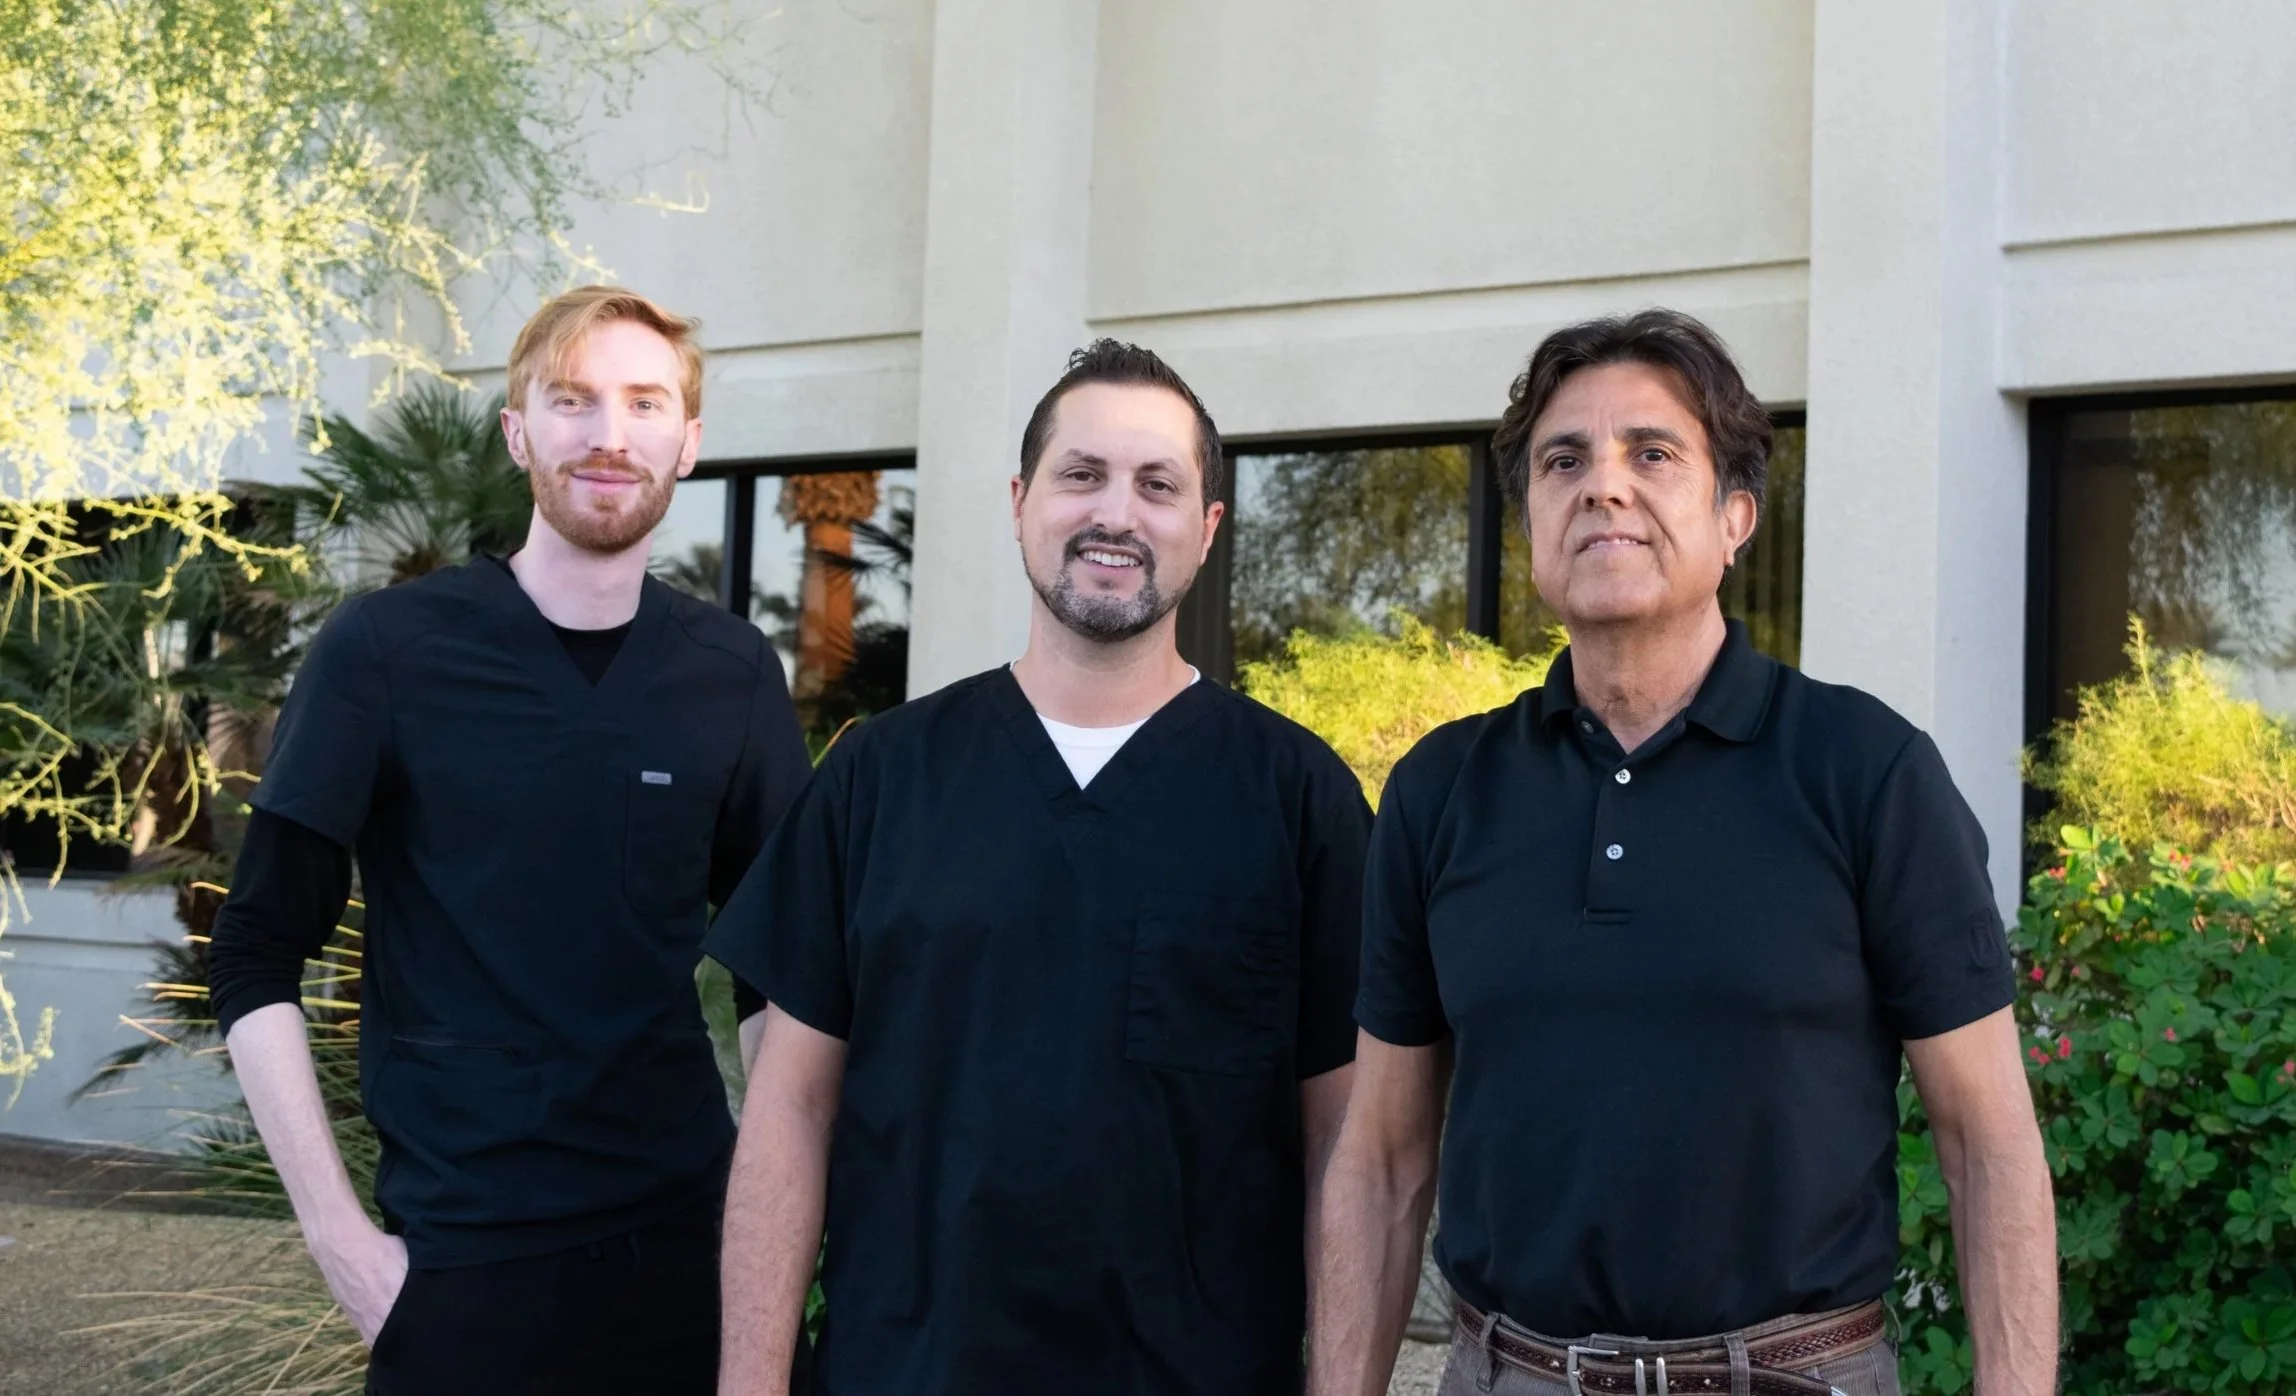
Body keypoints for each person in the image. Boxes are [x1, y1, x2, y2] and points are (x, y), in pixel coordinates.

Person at [1310, 310, 2058, 1396]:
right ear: (1530, 524)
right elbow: (1379, 1162)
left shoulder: (1866, 772)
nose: (1603, 486)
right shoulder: (1441, 790)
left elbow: (1988, 1143)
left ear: (1734, 517)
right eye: (1564, 460)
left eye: (1652, 454)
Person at [708, 339, 1371, 1395]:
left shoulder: (1299, 801)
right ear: (1020, 503)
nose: (1116, 512)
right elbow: (790, 1110)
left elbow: (1351, 1143)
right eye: (1081, 475)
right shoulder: (880, 779)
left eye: (1158, 484)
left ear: (1204, 531)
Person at [208, 286, 811, 1395]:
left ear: (689, 441)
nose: (609, 435)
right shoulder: (387, 652)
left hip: (690, 1262)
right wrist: (348, 1253)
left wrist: (773, 1252)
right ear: (518, 431)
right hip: (461, 1274)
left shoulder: (729, 675)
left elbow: (788, 982)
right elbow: (252, 955)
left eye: (644, 402)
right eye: (572, 399)